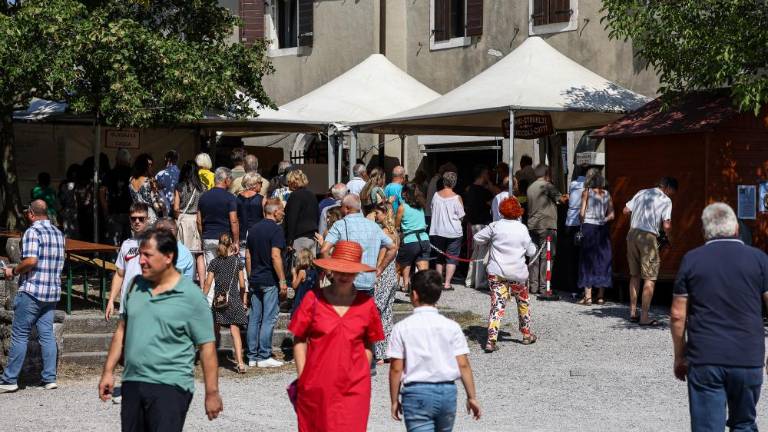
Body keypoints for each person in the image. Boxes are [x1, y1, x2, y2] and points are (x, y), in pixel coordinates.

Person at [98, 229, 222, 430]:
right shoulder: (135, 286)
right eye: (140, 254)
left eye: (148, 255)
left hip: (170, 385)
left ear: (168, 257)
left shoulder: (191, 296)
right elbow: (121, 330)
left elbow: (207, 347)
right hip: (133, 382)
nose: (140, 261)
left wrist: (212, 392)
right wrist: (108, 371)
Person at [671, 203, 768, 432]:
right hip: (748, 357)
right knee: (744, 423)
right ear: (736, 228)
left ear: (704, 232)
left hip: (705, 357)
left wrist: (679, 355)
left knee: (707, 427)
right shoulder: (760, 260)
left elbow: (677, 315)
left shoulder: (692, 260)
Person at [289, 240, 385, 432]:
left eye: (350, 271)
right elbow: (299, 339)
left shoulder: (367, 305)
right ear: (332, 269)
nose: (345, 275)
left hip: (354, 389)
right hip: (317, 385)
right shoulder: (313, 299)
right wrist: (302, 376)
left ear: (357, 272)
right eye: (341, 269)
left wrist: (362, 374)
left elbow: (369, 345)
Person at [388, 270, 481, 430]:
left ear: (414, 295)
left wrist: (395, 399)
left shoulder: (401, 328)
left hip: (416, 392)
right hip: (447, 391)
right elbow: (463, 364)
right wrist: (471, 397)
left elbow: (396, 368)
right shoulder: (452, 327)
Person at [0, 200, 65, 393]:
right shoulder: (59, 234)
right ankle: (49, 378)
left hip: (32, 290)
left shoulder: (32, 232)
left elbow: (30, 260)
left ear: (31, 214)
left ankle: (9, 379)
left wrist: (14, 271)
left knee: (19, 335)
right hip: (51, 292)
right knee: (46, 334)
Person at [473, 197, 538, 352]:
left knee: (497, 305)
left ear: (501, 211)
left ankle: (491, 340)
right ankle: (526, 334)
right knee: (523, 302)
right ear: (518, 212)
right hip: (517, 274)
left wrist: (490, 242)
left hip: (497, 274)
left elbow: (477, 238)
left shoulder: (495, 226)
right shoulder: (522, 228)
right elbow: (531, 251)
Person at [623, 176, 677, 325]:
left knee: (634, 275)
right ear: (667, 187)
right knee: (650, 278)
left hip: (632, 235)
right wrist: (670, 237)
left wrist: (637, 219)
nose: (671, 195)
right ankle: (644, 317)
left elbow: (625, 210)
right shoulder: (666, 200)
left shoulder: (642, 192)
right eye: (672, 191)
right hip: (648, 237)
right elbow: (666, 225)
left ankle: (633, 313)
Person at [320, 194, 397, 293]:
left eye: (341, 207)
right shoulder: (374, 226)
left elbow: (324, 250)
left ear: (347, 208)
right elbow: (393, 248)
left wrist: (330, 274)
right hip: (368, 282)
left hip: (347, 282)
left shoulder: (340, 225)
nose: (340, 209)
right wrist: (380, 269)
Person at [245, 199, 287, 368]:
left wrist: (250, 276)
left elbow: (247, 255)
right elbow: (275, 256)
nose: (283, 213)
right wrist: (283, 280)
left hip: (255, 278)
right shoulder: (276, 230)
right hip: (269, 279)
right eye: (282, 210)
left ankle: (252, 356)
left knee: (254, 318)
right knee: (268, 319)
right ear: (275, 211)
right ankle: (264, 355)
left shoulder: (253, 230)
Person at [203, 233, 248, 374]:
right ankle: (240, 363)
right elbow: (242, 284)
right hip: (233, 299)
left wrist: (201, 297)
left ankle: (212, 359)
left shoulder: (214, 262)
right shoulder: (237, 262)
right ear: (231, 245)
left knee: (215, 330)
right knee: (235, 332)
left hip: (219, 300)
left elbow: (208, 283)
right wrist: (242, 299)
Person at [198, 167, 240, 304]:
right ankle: (226, 304)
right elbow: (233, 220)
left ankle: (209, 305)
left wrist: (202, 235)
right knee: (227, 273)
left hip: (208, 237)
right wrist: (236, 241)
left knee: (211, 272)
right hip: (224, 240)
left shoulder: (203, 197)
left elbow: (198, 220)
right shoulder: (230, 197)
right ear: (227, 180)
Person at [105, 203, 150, 320]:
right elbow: (119, 274)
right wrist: (111, 300)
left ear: (148, 219)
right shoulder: (126, 244)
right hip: (127, 305)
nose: (137, 221)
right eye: (133, 218)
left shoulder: (155, 242)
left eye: (141, 218)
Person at [526, 164, 566, 295]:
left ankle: (533, 286)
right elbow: (562, 199)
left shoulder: (530, 187)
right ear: (547, 174)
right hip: (546, 225)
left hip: (532, 224)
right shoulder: (547, 186)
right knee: (547, 257)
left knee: (534, 256)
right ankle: (544, 287)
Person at [576, 171, 614, 305]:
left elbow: (581, 213)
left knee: (587, 260)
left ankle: (588, 296)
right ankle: (601, 296)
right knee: (602, 259)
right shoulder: (607, 194)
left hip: (589, 228)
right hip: (602, 229)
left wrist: (581, 220)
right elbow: (612, 215)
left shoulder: (586, 192)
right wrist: (603, 219)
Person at [371, 203, 400, 363]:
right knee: (387, 314)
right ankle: (388, 350)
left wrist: (378, 270)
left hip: (384, 275)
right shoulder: (395, 232)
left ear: (384, 213)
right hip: (392, 276)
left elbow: (383, 253)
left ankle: (380, 353)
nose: (376, 216)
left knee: (378, 313)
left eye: (377, 213)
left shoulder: (384, 232)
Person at [429, 171, 465, 291]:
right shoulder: (456, 198)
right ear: (454, 183)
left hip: (438, 230)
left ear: (443, 182)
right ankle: (447, 283)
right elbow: (461, 216)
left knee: (440, 256)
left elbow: (432, 208)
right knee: (452, 257)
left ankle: (439, 282)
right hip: (453, 232)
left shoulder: (435, 195)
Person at [463, 165, 496, 290]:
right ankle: (479, 282)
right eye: (487, 174)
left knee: (475, 253)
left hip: (473, 224)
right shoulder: (483, 191)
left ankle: (470, 280)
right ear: (483, 175)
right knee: (482, 254)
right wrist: (490, 184)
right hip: (482, 224)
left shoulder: (470, 189)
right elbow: (495, 196)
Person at [174, 160, 206, 282]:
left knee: (183, 252)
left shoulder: (179, 187)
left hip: (183, 221)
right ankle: (203, 284)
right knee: (199, 254)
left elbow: (176, 208)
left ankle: (184, 281)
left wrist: (179, 216)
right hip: (196, 220)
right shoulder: (202, 187)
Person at [395, 183, 430, 292]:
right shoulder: (420, 207)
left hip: (410, 240)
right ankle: (423, 292)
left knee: (397, 267)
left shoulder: (402, 207)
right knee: (423, 270)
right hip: (424, 240)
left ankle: (391, 292)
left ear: (405, 194)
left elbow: (396, 226)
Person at [100, 149, 132, 245]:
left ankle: (114, 260)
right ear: (128, 160)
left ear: (116, 159)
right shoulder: (133, 173)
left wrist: (106, 209)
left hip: (114, 212)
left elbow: (101, 193)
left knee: (114, 243)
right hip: (130, 213)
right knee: (129, 243)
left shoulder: (109, 174)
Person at [283, 169, 319, 255]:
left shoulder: (295, 196)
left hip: (299, 237)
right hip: (312, 236)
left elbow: (292, 219)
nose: (287, 184)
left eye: (289, 181)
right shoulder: (312, 195)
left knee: (298, 266)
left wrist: (289, 241)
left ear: (294, 182)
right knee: (309, 265)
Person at [564, 168, 587, 292]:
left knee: (570, 257)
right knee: (580, 256)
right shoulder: (587, 186)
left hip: (569, 222)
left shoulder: (572, 185)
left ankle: (572, 287)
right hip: (580, 223)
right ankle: (581, 287)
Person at [128, 153, 163, 225]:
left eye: (151, 165)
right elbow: (157, 205)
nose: (151, 167)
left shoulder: (131, 179)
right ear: (143, 166)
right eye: (149, 165)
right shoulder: (150, 181)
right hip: (149, 217)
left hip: (135, 216)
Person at [236, 172, 265, 251]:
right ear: (254, 184)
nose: (262, 185)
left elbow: (235, 220)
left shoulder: (237, 199)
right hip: (258, 236)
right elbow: (266, 219)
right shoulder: (262, 199)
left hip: (241, 236)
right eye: (260, 183)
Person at [290, 248, 318, 316]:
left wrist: (294, 274)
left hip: (301, 301)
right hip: (311, 301)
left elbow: (294, 286)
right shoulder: (315, 272)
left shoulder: (302, 272)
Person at [155, 150, 180, 218]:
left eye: (165, 158)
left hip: (163, 208)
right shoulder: (181, 174)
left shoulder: (160, 175)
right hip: (177, 207)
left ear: (168, 159)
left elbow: (155, 191)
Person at [58, 164, 81, 238]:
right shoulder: (79, 184)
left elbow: (61, 199)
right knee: (76, 235)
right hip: (75, 212)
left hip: (67, 211)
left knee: (68, 234)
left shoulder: (64, 184)